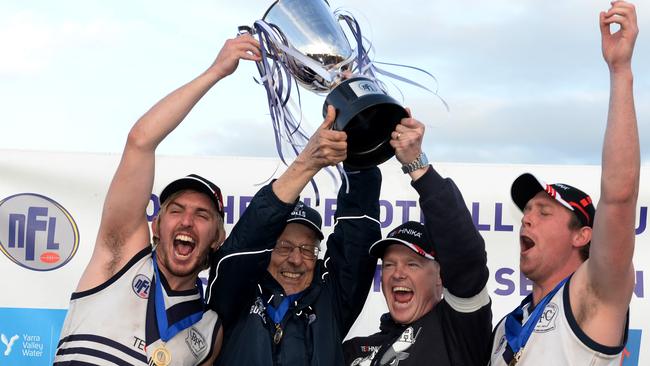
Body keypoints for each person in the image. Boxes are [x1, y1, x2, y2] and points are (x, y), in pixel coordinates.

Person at [54, 34, 345, 366]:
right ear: (156, 225)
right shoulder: (117, 261)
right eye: (176, 210)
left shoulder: (209, 332)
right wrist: (215, 72)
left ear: (218, 239)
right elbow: (140, 141)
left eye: (203, 215)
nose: (187, 220)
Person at [489, 2, 639, 365]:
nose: (527, 219)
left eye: (543, 212)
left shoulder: (593, 294)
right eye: (526, 211)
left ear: (582, 235)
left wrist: (620, 70)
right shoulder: (504, 329)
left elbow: (618, 198)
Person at [205, 130, 382, 363]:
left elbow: (357, 239)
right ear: (266, 250)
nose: (296, 259)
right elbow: (246, 242)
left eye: (308, 249)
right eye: (284, 247)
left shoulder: (332, 301)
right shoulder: (236, 294)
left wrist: (360, 153)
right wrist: (307, 163)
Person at [343, 112, 492, 366]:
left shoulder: (458, 331)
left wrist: (416, 164)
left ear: (441, 277)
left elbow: (466, 257)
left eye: (412, 263)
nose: (397, 273)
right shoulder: (354, 350)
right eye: (389, 265)